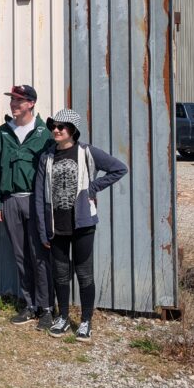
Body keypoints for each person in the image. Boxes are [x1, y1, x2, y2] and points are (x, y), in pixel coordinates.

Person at [34, 109, 128, 341]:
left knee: (84, 274)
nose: (56, 130)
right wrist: (42, 228)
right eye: (54, 126)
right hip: (56, 225)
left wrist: (93, 188)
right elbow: (38, 195)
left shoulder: (87, 152)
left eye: (61, 127)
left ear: (72, 131)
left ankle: (86, 321)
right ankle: (63, 317)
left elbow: (119, 168)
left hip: (83, 224)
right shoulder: (46, 157)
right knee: (60, 274)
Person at [0, 85, 54, 329]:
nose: (14, 104)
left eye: (19, 100)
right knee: (20, 256)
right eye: (12, 100)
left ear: (31, 103)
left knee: (40, 255)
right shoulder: (3, 132)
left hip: (36, 201)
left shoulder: (45, 133)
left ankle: (46, 307)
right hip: (10, 201)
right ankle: (30, 304)